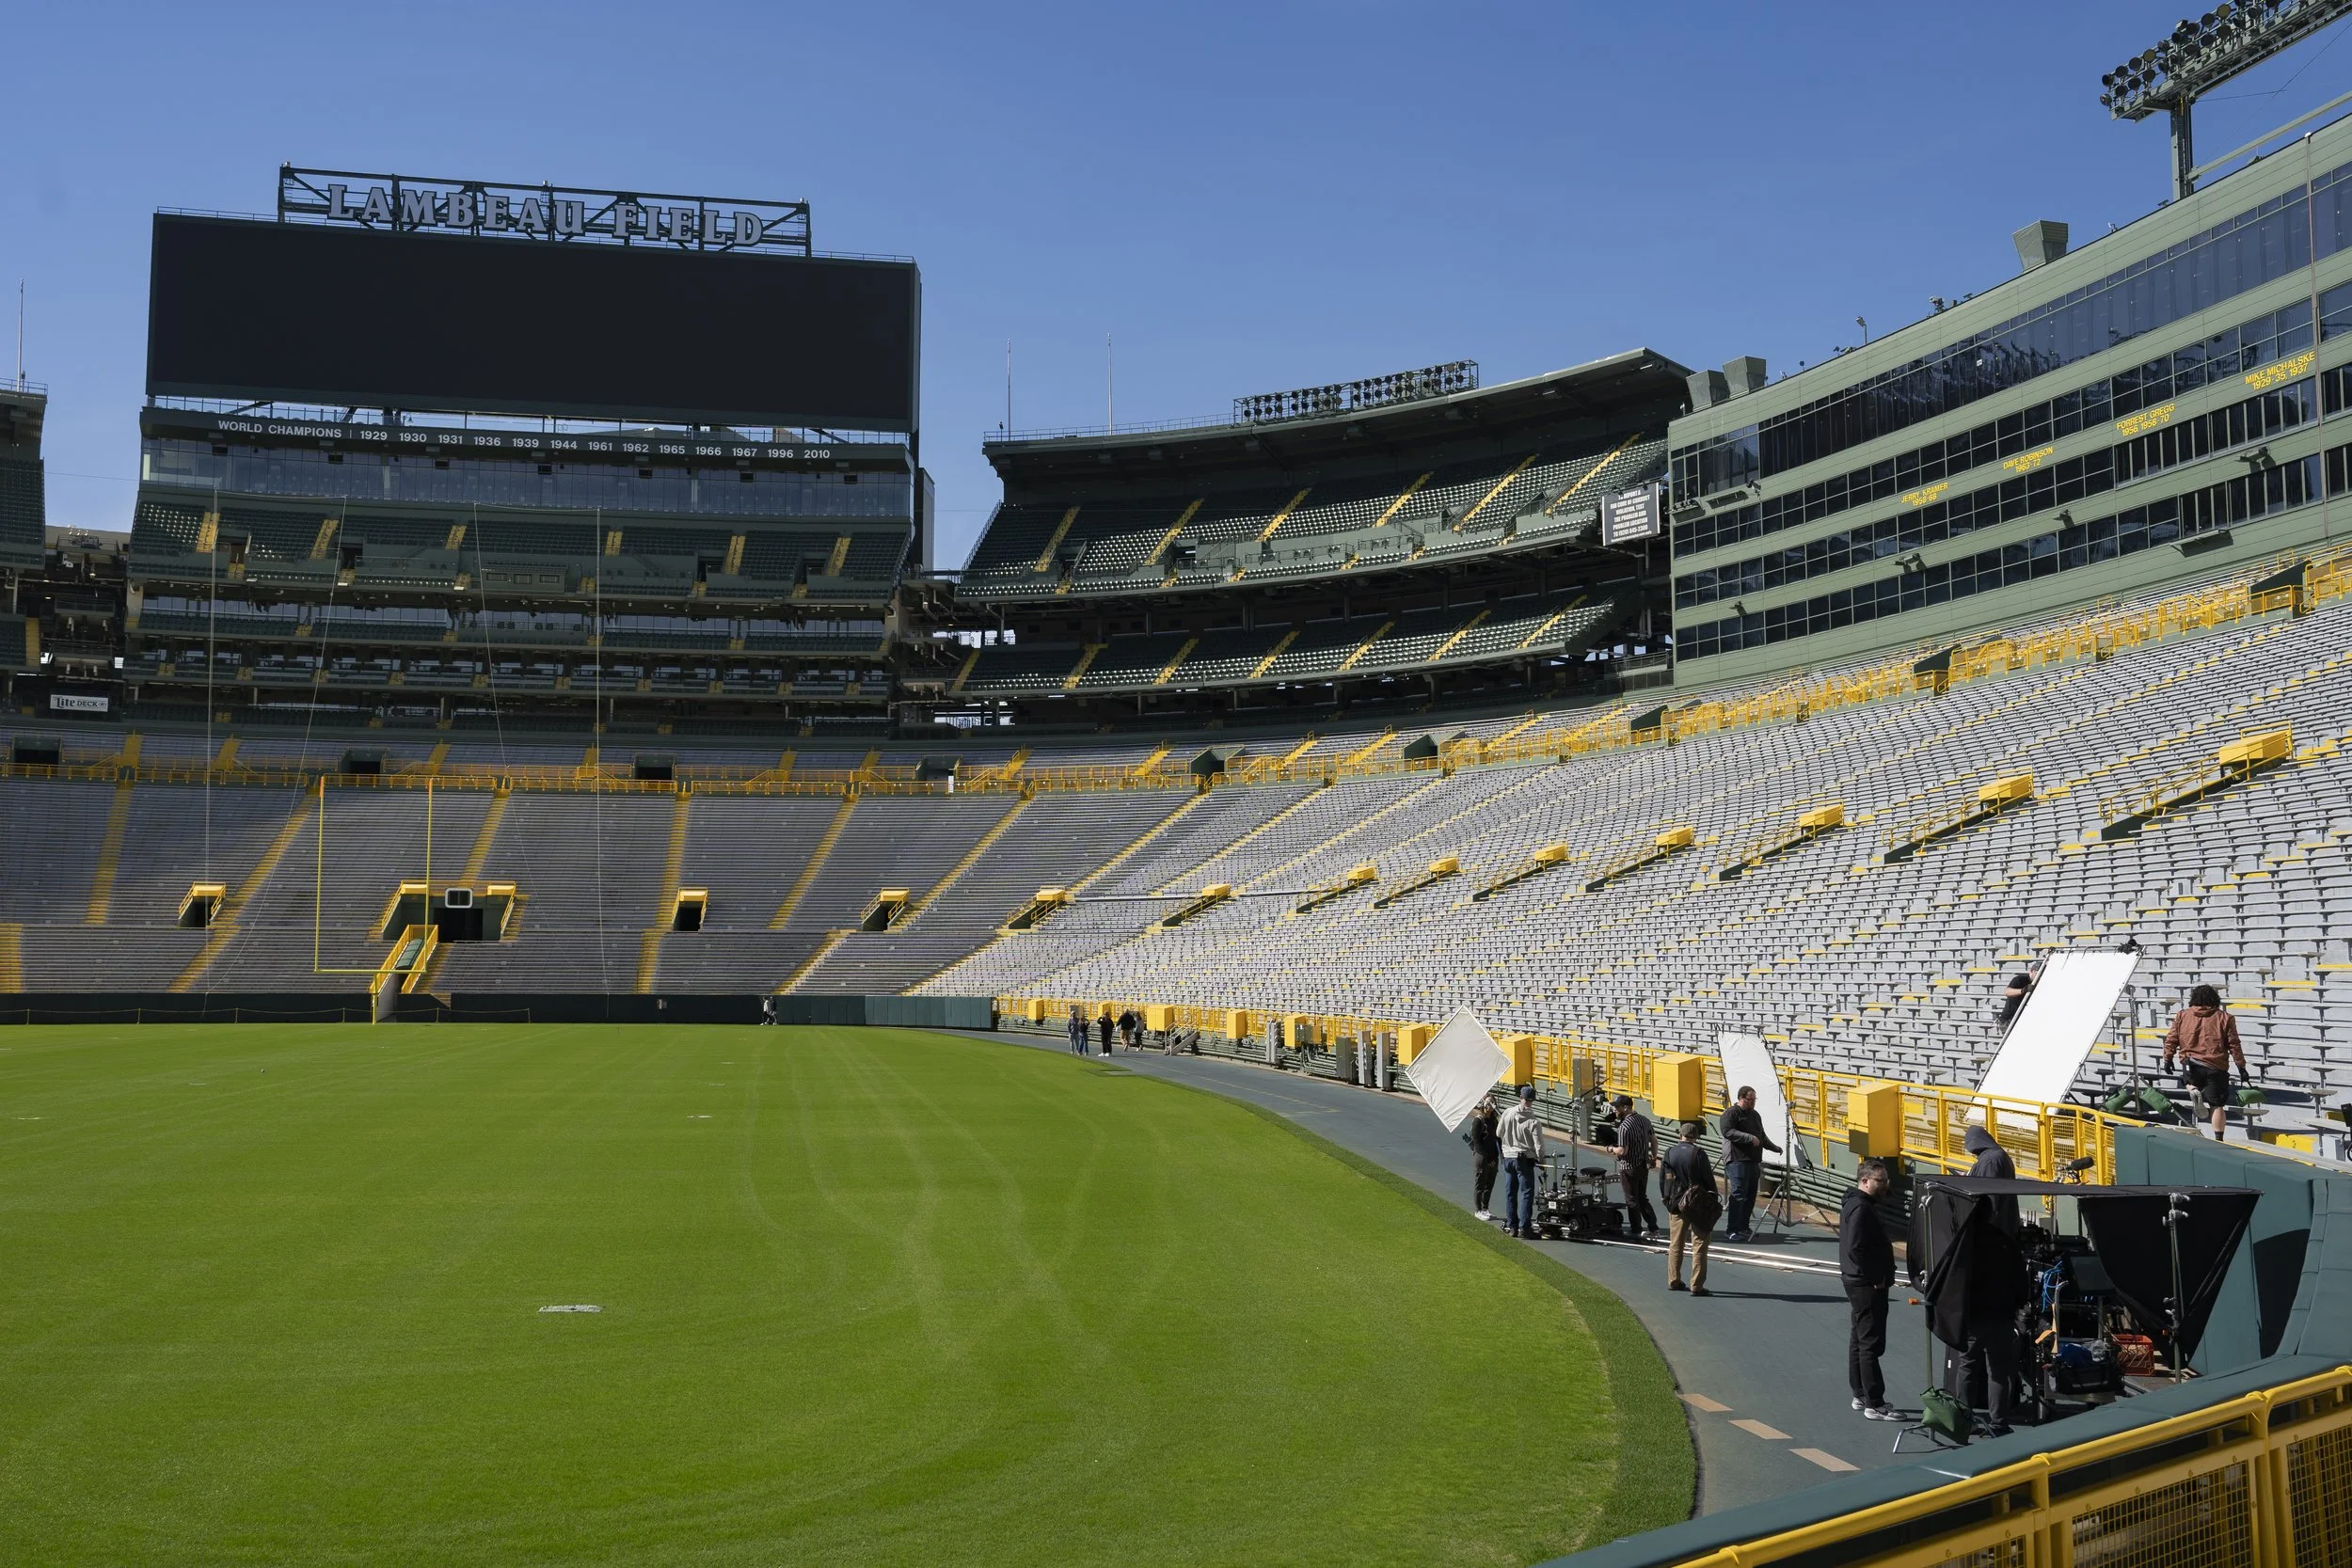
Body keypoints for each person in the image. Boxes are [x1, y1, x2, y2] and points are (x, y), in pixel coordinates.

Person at [1839, 1159, 1899, 1420]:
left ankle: (1860, 1394)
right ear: (1865, 1181)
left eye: (1886, 1180)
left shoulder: (1857, 1204)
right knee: (1870, 1343)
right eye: (1880, 1180)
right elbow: (1856, 1247)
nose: (1885, 1185)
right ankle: (1874, 1402)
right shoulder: (1862, 1208)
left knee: (1859, 1340)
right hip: (1866, 1284)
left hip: (1857, 1281)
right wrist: (1876, 1277)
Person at [2163, 984, 2249, 1140]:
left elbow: (2171, 1039)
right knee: (2217, 1105)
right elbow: (2234, 1044)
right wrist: (2241, 1067)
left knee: (2186, 1080)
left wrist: (2168, 1059)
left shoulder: (2182, 1015)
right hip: (2216, 1065)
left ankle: (2192, 1089)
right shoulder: (2226, 1017)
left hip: (2191, 1062)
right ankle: (2219, 1138)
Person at [1661, 1120, 1718, 1295]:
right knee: (1699, 1245)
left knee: (1676, 1244)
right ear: (1696, 1137)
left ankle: (1673, 1280)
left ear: (1680, 1135)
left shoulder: (1670, 1152)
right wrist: (1713, 1201)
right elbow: (1709, 1181)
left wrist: (1667, 1200)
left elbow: (1665, 1180)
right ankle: (1697, 1285)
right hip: (1697, 1203)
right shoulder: (1699, 1154)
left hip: (1676, 1203)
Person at [1719, 1085, 1781, 1242]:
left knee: (1750, 1195)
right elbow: (1727, 1131)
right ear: (1741, 1098)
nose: (1753, 1102)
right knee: (1738, 1194)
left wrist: (1774, 1148)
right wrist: (1748, 1137)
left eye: (1754, 1100)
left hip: (1753, 1160)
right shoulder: (1731, 1113)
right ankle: (1731, 1229)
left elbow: (1761, 1136)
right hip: (1737, 1159)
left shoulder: (1755, 1115)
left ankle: (1743, 1227)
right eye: (1749, 1100)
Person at [1496, 1084, 1546, 1238]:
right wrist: (1542, 1162)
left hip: (1508, 1158)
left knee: (1510, 1193)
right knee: (1526, 1193)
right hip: (1523, 1159)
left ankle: (1512, 1226)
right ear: (1532, 1101)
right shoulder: (1534, 1122)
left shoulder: (1507, 1112)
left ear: (1521, 1098)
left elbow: (1498, 1132)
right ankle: (1525, 1228)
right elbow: (1539, 1146)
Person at [1612, 1093, 1660, 1240]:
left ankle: (1636, 1229)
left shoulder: (1624, 1126)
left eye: (1617, 1108)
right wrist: (1653, 1157)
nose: (1615, 1110)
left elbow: (1622, 1151)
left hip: (1628, 1166)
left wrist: (1610, 1149)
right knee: (1642, 1197)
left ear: (1625, 1108)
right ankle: (1653, 1227)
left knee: (1632, 1199)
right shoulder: (1644, 1120)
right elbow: (1654, 1141)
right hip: (1643, 1165)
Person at [1963, 1125, 2020, 1236]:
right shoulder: (1997, 1155)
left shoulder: (1990, 1160)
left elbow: (1988, 1197)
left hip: (1994, 1229)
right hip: (2003, 1226)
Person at [1463, 1096, 1502, 1222]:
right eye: (1488, 1102)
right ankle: (1478, 1210)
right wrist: (1488, 1158)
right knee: (1480, 1184)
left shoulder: (1494, 1120)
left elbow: (1498, 1138)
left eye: (1493, 1102)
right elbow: (1477, 1141)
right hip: (1482, 1157)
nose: (1490, 1105)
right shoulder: (1478, 1120)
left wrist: (1497, 1155)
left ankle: (1485, 1208)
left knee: (1489, 1185)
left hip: (1493, 1156)